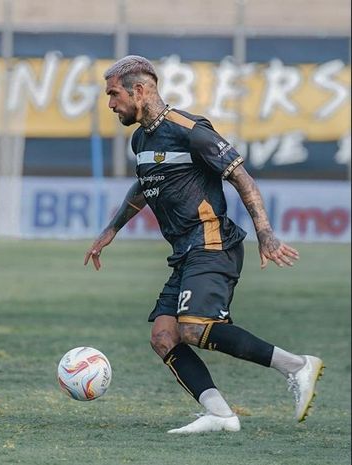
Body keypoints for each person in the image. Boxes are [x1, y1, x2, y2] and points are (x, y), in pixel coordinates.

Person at [84, 55, 324, 434]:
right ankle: (220, 414)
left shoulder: (191, 130)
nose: (111, 103)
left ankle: (296, 365)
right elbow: (144, 185)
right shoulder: (140, 139)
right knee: (164, 336)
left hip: (213, 243)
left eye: (114, 94)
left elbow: (242, 178)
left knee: (195, 328)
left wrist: (266, 233)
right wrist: (111, 230)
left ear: (141, 91)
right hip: (184, 252)